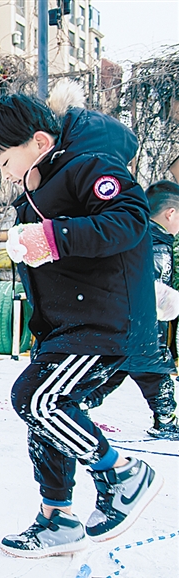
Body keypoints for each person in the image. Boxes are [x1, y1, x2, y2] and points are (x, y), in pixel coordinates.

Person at [0, 80, 162, 558]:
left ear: (38, 142)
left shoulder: (86, 169)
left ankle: (121, 475)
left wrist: (51, 238)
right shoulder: (34, 194)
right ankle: (57, 517)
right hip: (62, 328)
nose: (5, 175)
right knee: (45, 414)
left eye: (5, 162)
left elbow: (129, 218)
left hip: (102, 324)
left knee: (37, 398)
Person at [83, 180, 179, 441]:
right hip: (140, 332)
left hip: (119, 329)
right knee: (155, 376)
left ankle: (78, 405)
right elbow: (153, 291)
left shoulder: (137, 235)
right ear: (170, 213)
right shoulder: (158, 245)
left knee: (110, 374)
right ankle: (166, 421)